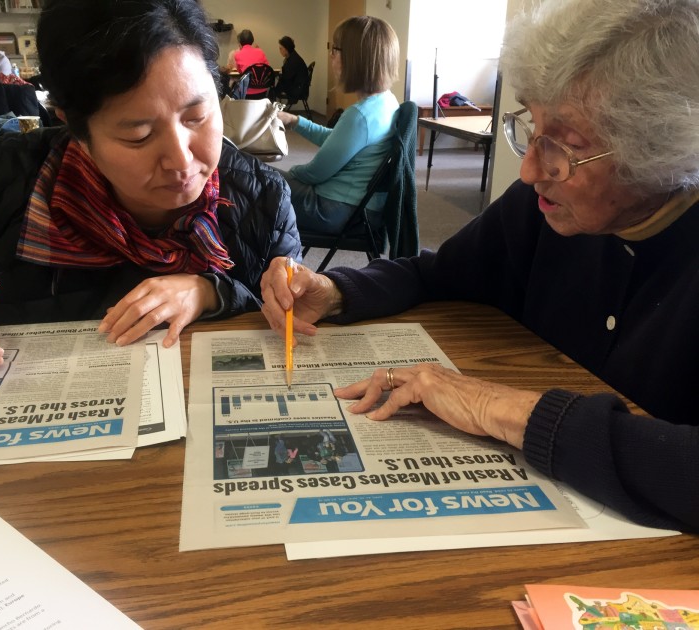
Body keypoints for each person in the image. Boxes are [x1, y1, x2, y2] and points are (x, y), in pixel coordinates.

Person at [260, 0, 699, 533]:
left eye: (564, 146)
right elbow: (439, 272)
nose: (532, 168)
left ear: (658, 152)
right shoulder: (545, 205)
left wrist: (505, 408)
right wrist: (334, 289)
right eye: (530, 128)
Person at [0, 0, 300, 388]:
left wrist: (211, 291)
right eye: (139, 135)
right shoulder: (15, 178)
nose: (182, 162)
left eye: (197, 117)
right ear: (76, 127)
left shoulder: (260, 197)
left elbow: (291, 307)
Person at [276, 16, 399, 235]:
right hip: (358, 208)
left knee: (255, 179)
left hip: (333, 210)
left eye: (335, 49)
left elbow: (315, 173)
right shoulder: (386, 102)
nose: (331, 55)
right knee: (261, 179)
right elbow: (339, 141)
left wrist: (288, 174)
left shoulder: (359, 116)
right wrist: (295, 121)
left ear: (354, 59)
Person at [230, 29, 269, 98]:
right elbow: (267, 68)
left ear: (240, 42)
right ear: (252, 40)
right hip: (262, 90)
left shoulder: (237, 55)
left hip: (246, 91)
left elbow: (240, 71)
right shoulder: (260, 52)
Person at [274, 36, 308, 105]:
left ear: (286, 49)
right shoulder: (293, 57)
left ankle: (273, 110)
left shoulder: (293, 61)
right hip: (300, 87)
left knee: (272, 90)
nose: (279, 50)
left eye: (281, 48)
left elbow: (286, 78)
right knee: (276, 87)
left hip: (297, 90)